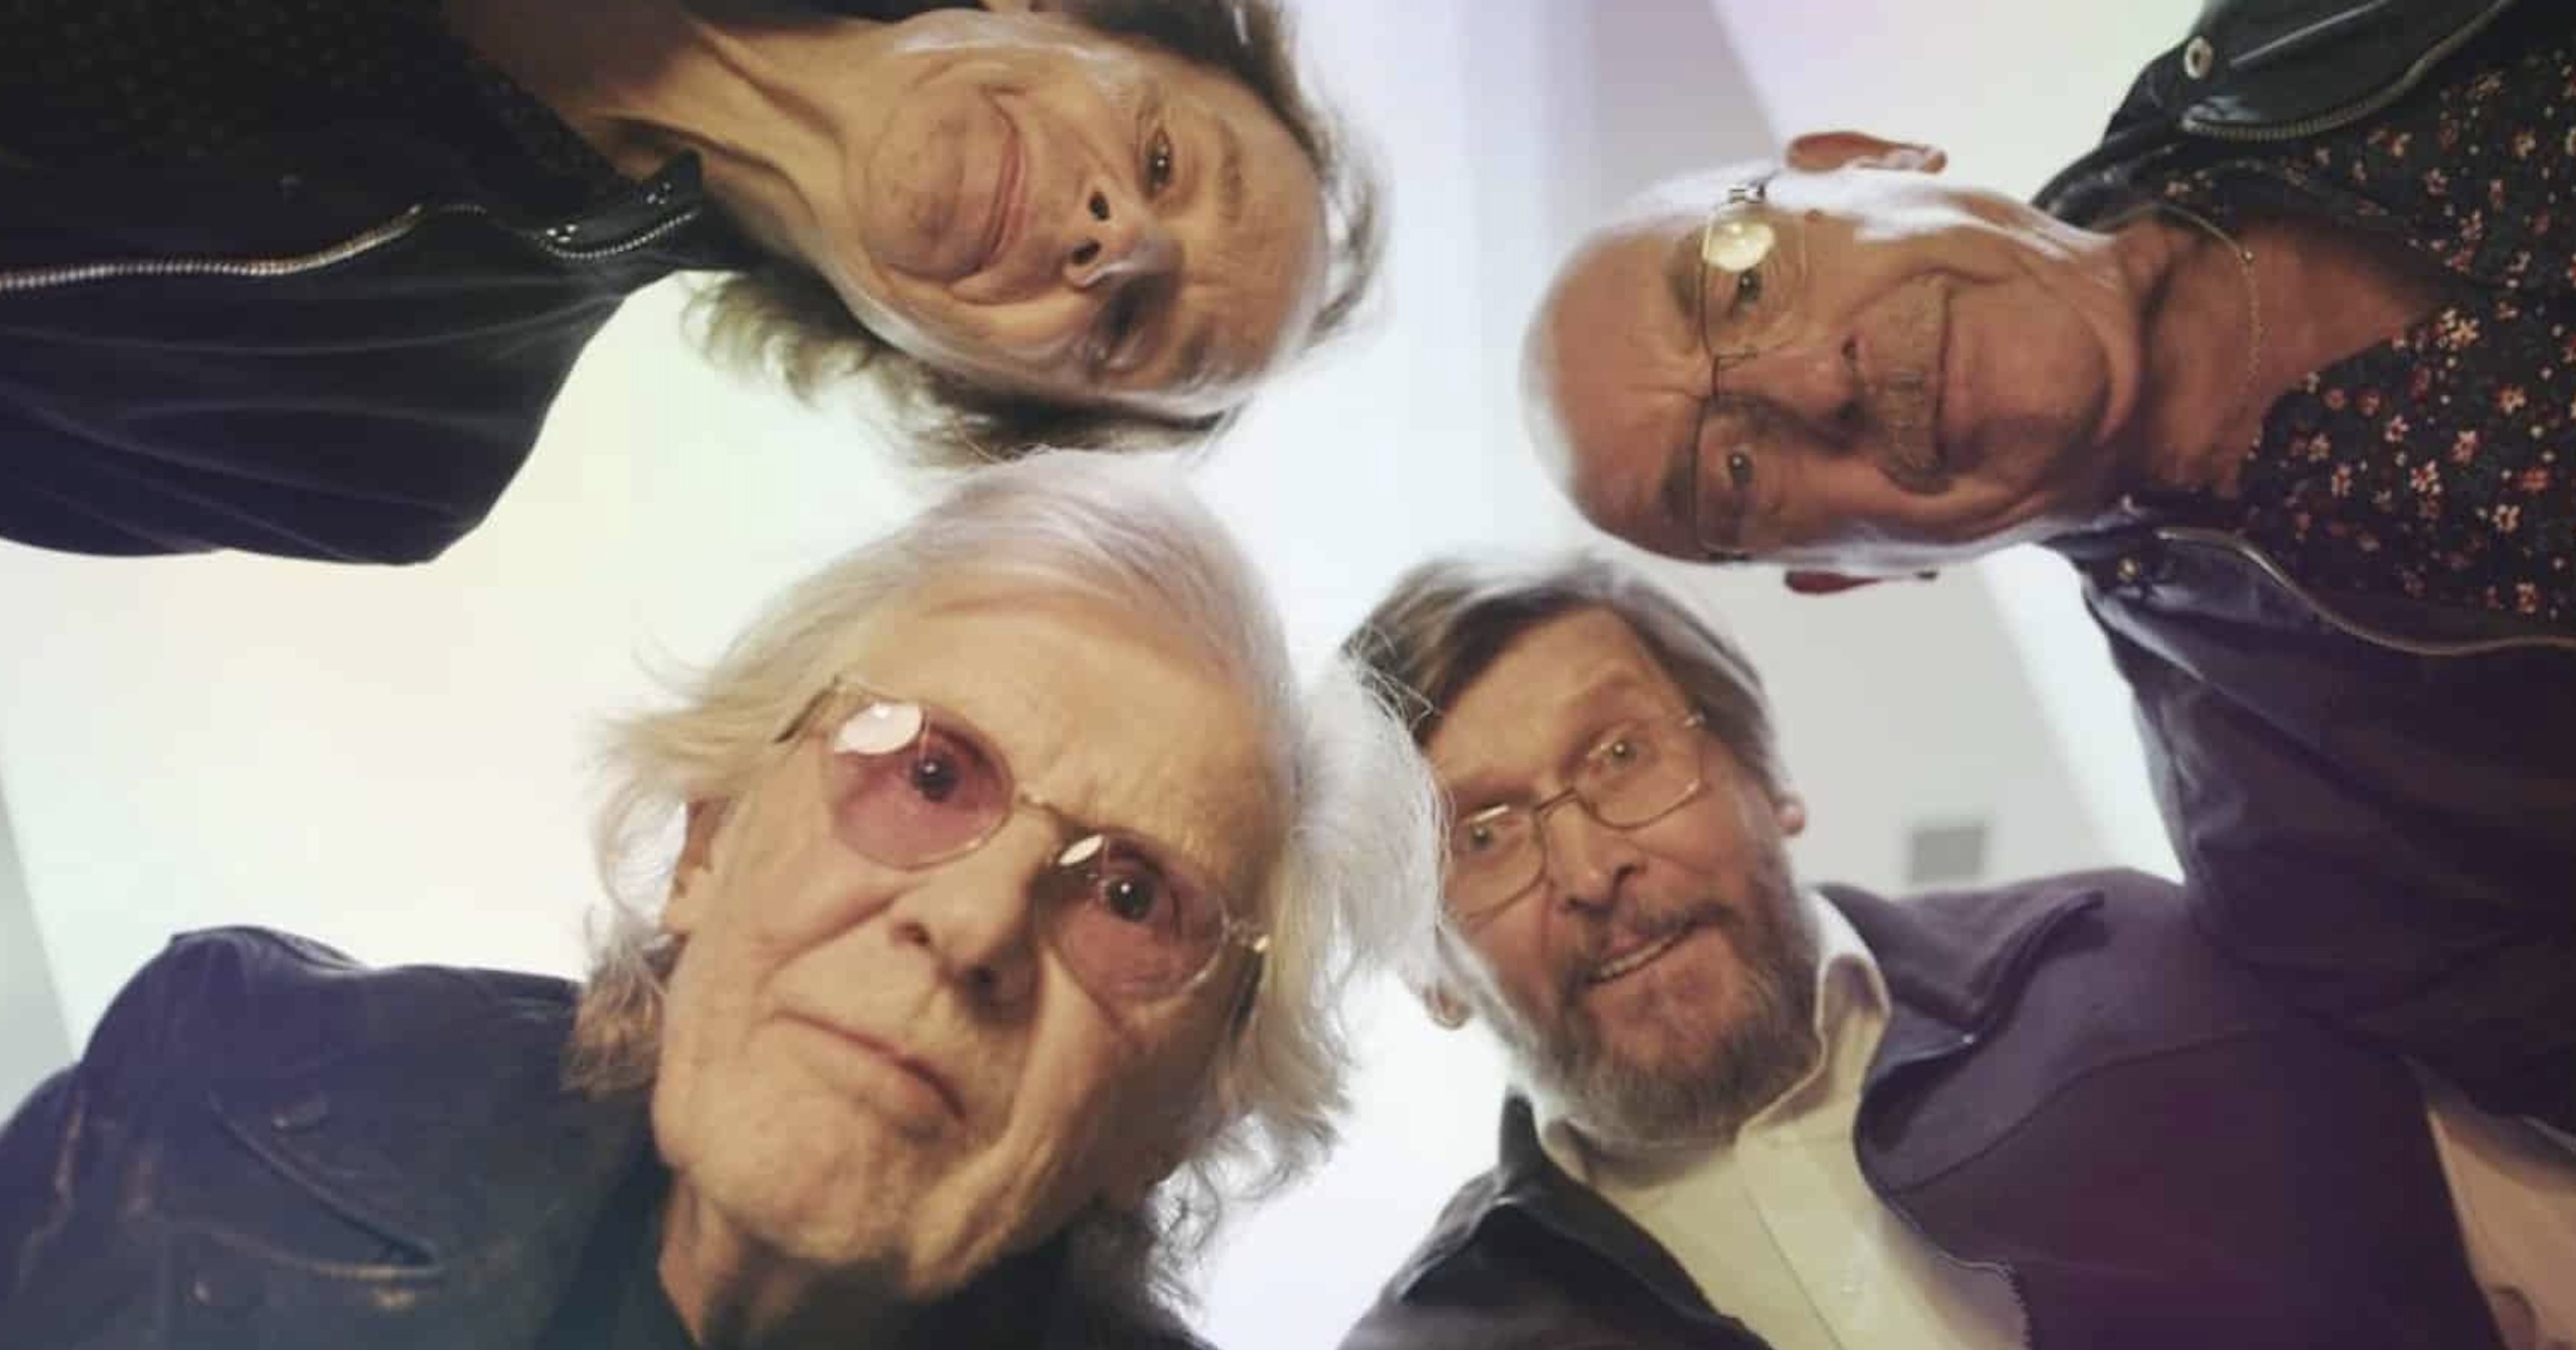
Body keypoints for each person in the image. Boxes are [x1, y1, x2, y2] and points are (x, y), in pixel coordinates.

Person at [0, 453, 1441, 1347]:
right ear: (707, 845)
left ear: (1183, 1116)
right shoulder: (206, 1097)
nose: (974, 925)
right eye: (931, 773)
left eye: (1132, 895)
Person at [1520, 0, 2576, 1130]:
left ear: (1862, 159)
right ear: (1853, 572)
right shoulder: (2321, 868)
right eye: (1735, 471)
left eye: (1742, 279)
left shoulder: (2314, 26)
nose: (1813, 381)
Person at [1334, 553, 2576, 1350]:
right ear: (1427, 971)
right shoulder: (1434, 1340)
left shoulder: (2147, 956)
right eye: (1482, 835)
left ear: (1766, 774)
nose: (1591, 867)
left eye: (1621, 755)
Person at [0, 0, 1379, 563]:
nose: (1116, 239)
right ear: (1054, 13)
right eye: (1161, 155)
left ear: (965, 380)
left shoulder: (381, 450)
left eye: (1125, 325)